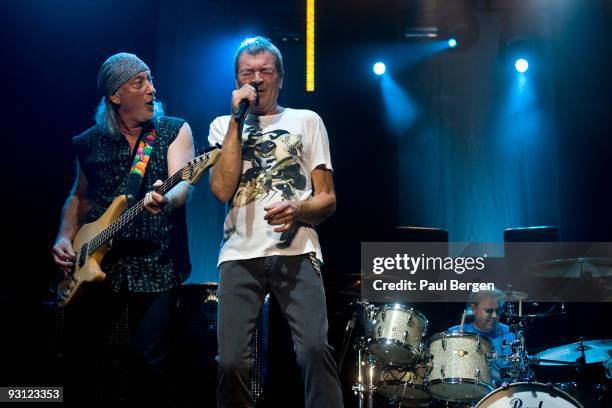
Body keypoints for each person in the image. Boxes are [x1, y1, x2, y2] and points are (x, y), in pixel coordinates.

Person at [51, 52, 194, 404]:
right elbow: (79, 198)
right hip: (98, 267)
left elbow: (182, 185)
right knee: (89, 364)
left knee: (150, 362)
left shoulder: (173, 130)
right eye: (139, 82)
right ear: (115, 96)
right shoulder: (89, 142)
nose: (151, 90)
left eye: (150, 80)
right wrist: (64, 237)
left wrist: (167, 199)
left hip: (157, 265)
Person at [208, 37, 343, 408]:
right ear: (236, 81)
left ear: (280, 78)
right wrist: (237, 122)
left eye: (265, 71)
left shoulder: (306, 120)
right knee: (232, 361)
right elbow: (221, 189)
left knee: (315, 349)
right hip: (238, 254)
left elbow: (327, 198)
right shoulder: (222, 125)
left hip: (297, 250)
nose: (257, 79)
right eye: (247, 72)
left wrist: (298, 210)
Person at [449, 289, 517, 382]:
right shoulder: (455, 333)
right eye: (489, 311)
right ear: (474, 308)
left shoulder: (511, 334)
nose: (494, 315)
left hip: (502, 393)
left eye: (498, 311)